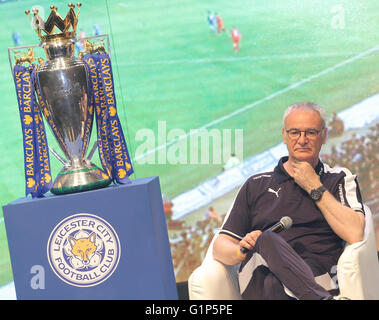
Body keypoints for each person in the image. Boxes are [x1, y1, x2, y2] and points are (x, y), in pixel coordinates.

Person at [213, 102, 365, 300]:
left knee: (274, 283)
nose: (302, 140)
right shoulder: (256, 184)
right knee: (266, 240)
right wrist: (243, 248)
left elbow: (355, 233)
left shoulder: (338, 179)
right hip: (261, 272)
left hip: (318, 275)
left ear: (324, 135)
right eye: (294, 132)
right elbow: (220, 246)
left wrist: (315, 187)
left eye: (310, 132)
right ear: (284, 135)